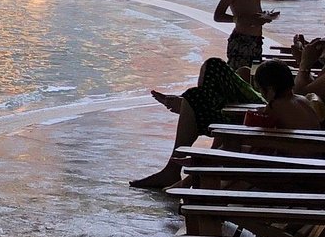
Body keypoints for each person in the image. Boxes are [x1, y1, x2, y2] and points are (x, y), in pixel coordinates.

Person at [131, 59, 317, 190]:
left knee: (230, 145)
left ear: (269, 90)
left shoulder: (276, 106)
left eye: (261, 90)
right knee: (227, 142)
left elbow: (256, 137)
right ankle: (194, 168)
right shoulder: (302, 100)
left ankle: (194, 172)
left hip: (292, 171)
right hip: (308, 166)